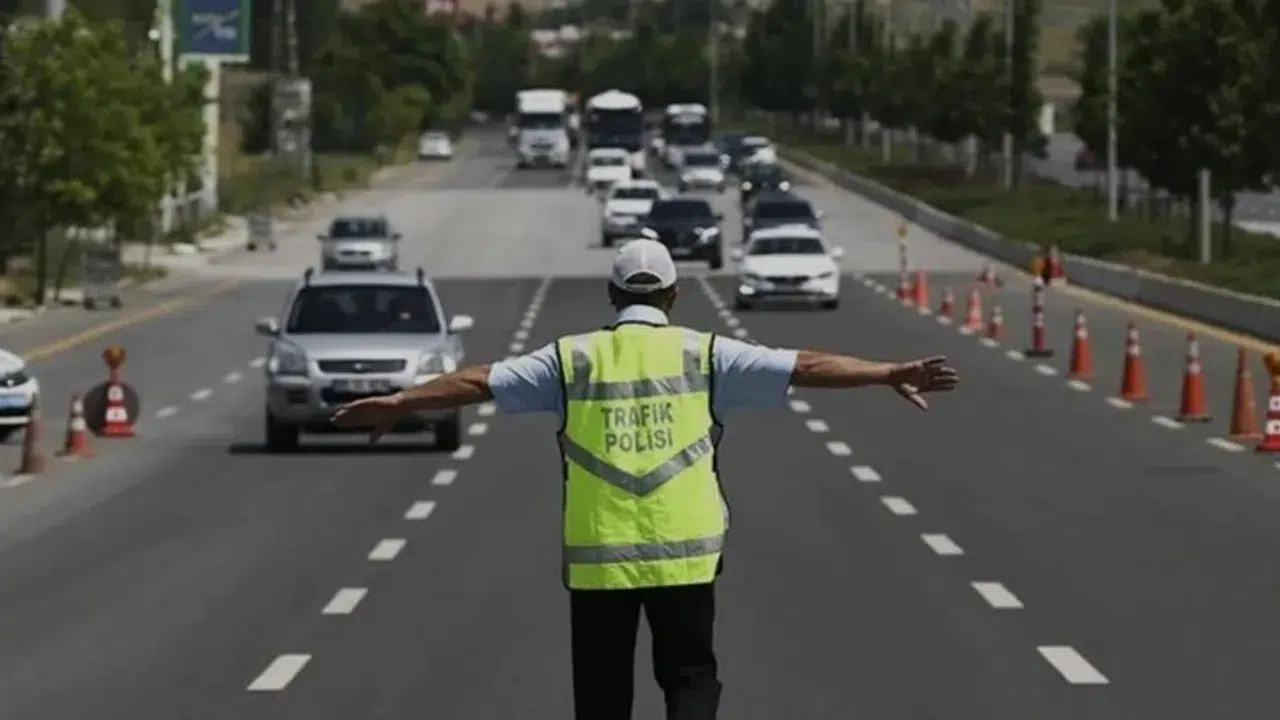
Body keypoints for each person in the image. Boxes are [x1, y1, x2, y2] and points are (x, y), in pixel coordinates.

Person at [331, 239, 959, 720]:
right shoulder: (708, 354)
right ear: (674, 294)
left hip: (600, 559)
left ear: (611, 295)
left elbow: (475, 381)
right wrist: (885, 372)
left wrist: (400, 401)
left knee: (603, 693)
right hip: (685, 554)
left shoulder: (570, 359)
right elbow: (806, 364)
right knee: (690, 677)